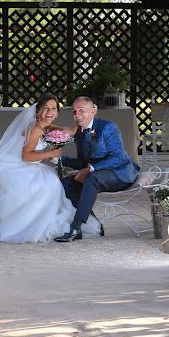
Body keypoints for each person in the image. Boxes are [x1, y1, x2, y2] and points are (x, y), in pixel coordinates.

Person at [0, 94, 100, 243]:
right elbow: (26, 156)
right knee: (47, 184)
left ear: (58, 112)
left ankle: (38, 219)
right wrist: (50, 153)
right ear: (37, 111)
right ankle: (29, 224)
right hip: (15, 166)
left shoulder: (47, 126)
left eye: (53, 108)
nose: (49, 112)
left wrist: (81, 121)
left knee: (52, 181)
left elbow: (68, 131)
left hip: (28, 165)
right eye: (45, 108)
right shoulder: (36, 129)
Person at [55, 96, 139, 242]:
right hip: (97, 174)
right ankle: (94, 226)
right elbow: (83, 162)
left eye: (81, 110)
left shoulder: (108, 127)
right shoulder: (80, 134)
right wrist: (60, 159)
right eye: (74, 111)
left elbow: (118, 157)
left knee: (91, 178)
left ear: (93, 110)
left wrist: (91, 169)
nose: (77, 115)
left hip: (120, 172)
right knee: (67, 183)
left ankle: (75, 227)